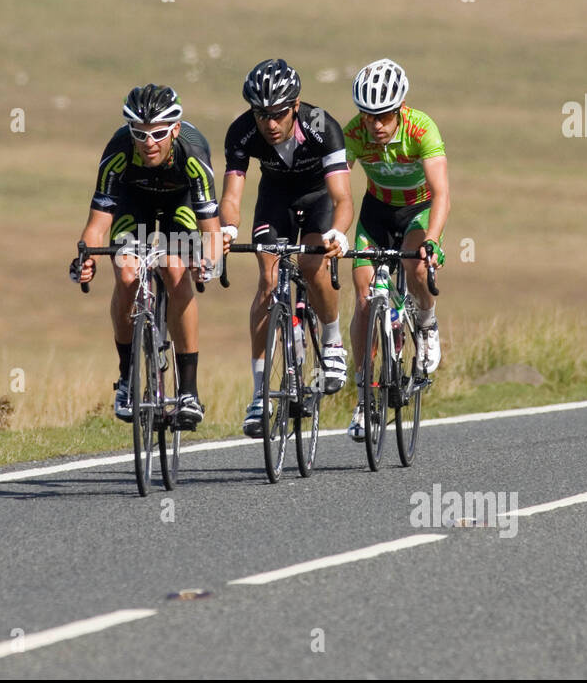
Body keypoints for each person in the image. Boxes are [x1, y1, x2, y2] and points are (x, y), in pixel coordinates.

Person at [70, 85, 222, 429]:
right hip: (133, 201)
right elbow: (97, 225)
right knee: (125, 275)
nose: (148, 142)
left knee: (174, 267)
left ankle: (188, 391)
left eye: (158, 133)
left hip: (178, 203)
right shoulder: (119, 151)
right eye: (139, 133)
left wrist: (207, 263)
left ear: (176, 129)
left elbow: (211, 230)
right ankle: (126, 378)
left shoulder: (193, 153)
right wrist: (86, 259)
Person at [218, 59, 352, 439]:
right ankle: (261, 394)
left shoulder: (323, 126)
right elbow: (232, 195)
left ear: (295, 105)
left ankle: (331, 343)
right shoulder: (242, 133)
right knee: (267, 278)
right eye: (261, 114)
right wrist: (228, 227)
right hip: (274, 199)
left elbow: (343, 197)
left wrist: (339, 233)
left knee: (312, 265)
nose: (270, 124)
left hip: (319, 198)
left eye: (278, 113)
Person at [343, 58, 448, 442]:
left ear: (400, 109)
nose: (377, 125)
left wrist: (433, 240)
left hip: (417, 212)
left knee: (417, 269)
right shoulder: (353, 133)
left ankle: (426, 321)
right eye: (369, 116)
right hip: (377, 212)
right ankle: (363, 400)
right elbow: (336, 188)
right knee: (365, 298)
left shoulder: (422, 129)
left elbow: (442, 194)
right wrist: (333, 233)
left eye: (385, 116)